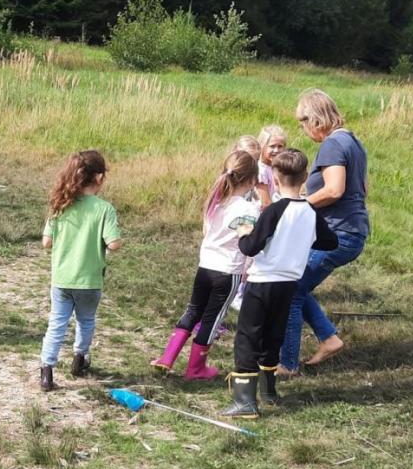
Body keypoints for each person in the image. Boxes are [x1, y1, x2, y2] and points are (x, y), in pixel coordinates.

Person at [223, 149, 337, 418]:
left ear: (274, 177)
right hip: (289, 284)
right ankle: (269, 392)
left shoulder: (274, 210)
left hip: (263, 282)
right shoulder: (310, 211)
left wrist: (243, 231)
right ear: (305, 177)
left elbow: (250, 247)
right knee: (274, 335)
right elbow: (330, 242)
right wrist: (302, 240)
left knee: (248, 337)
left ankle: (244, 402)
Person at [279, 89, 369, 375]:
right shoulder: (352, 141)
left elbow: (334, 190)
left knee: (290, 291)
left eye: (302, 122)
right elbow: (363, 189)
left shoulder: (332, 145)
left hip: (338, 234)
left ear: (315, 119)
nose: (303, 129)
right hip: (350, 230)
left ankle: (287, 364)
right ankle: (329, 339)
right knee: (297, 285)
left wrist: (296, 205)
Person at [151, 150, 259, 380]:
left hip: (205, 266)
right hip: (228, 271)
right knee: (213, 318)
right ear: (252, 181)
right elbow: (246, 241)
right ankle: (196, 368)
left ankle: (167, 358)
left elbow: (207, 231)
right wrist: (249, 265)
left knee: (193, 310)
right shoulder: (248, 209)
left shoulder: (216, 202)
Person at [38, 150, 122, 391]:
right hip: (90, 280)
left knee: (57, 323)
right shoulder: (104, 209)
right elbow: (114, 244)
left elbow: (46, 242)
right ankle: (79, 358)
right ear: (99, 177)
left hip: (62, 279)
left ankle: (46, 370)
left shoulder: (61, 203)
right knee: (86, 321)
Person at [257, 124, 287, 200]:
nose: (276, 150)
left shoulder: (281, 167)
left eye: (280, 146)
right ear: (262, 146)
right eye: (272, 146)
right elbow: (265, 202)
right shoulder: (261, 171)